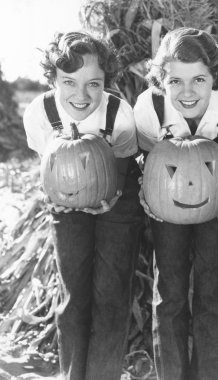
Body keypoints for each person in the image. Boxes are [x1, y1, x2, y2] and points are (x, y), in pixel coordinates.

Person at [133, 27, 218, 380]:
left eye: (199, 79)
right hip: (166, 194)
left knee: (212, 290)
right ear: (161, 80)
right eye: (175, 81)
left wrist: (217, 187)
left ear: (215, 77)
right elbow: (149, 164)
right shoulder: (149, 107)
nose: (187, 92)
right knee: (169, 289)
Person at [23, 30, 143, 380]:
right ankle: (73, 374)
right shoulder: (40, 112)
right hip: (67, 202)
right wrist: (53, 197)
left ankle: (103, 374)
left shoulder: (119, 113)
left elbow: (122, 167)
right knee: (73, 295)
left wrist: (112, 199)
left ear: (106, 82)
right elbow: (47, 166)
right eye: (69, 82)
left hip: (118, 202)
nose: (81, 94)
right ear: (53, 79)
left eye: (94, 84)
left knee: (111, 293)